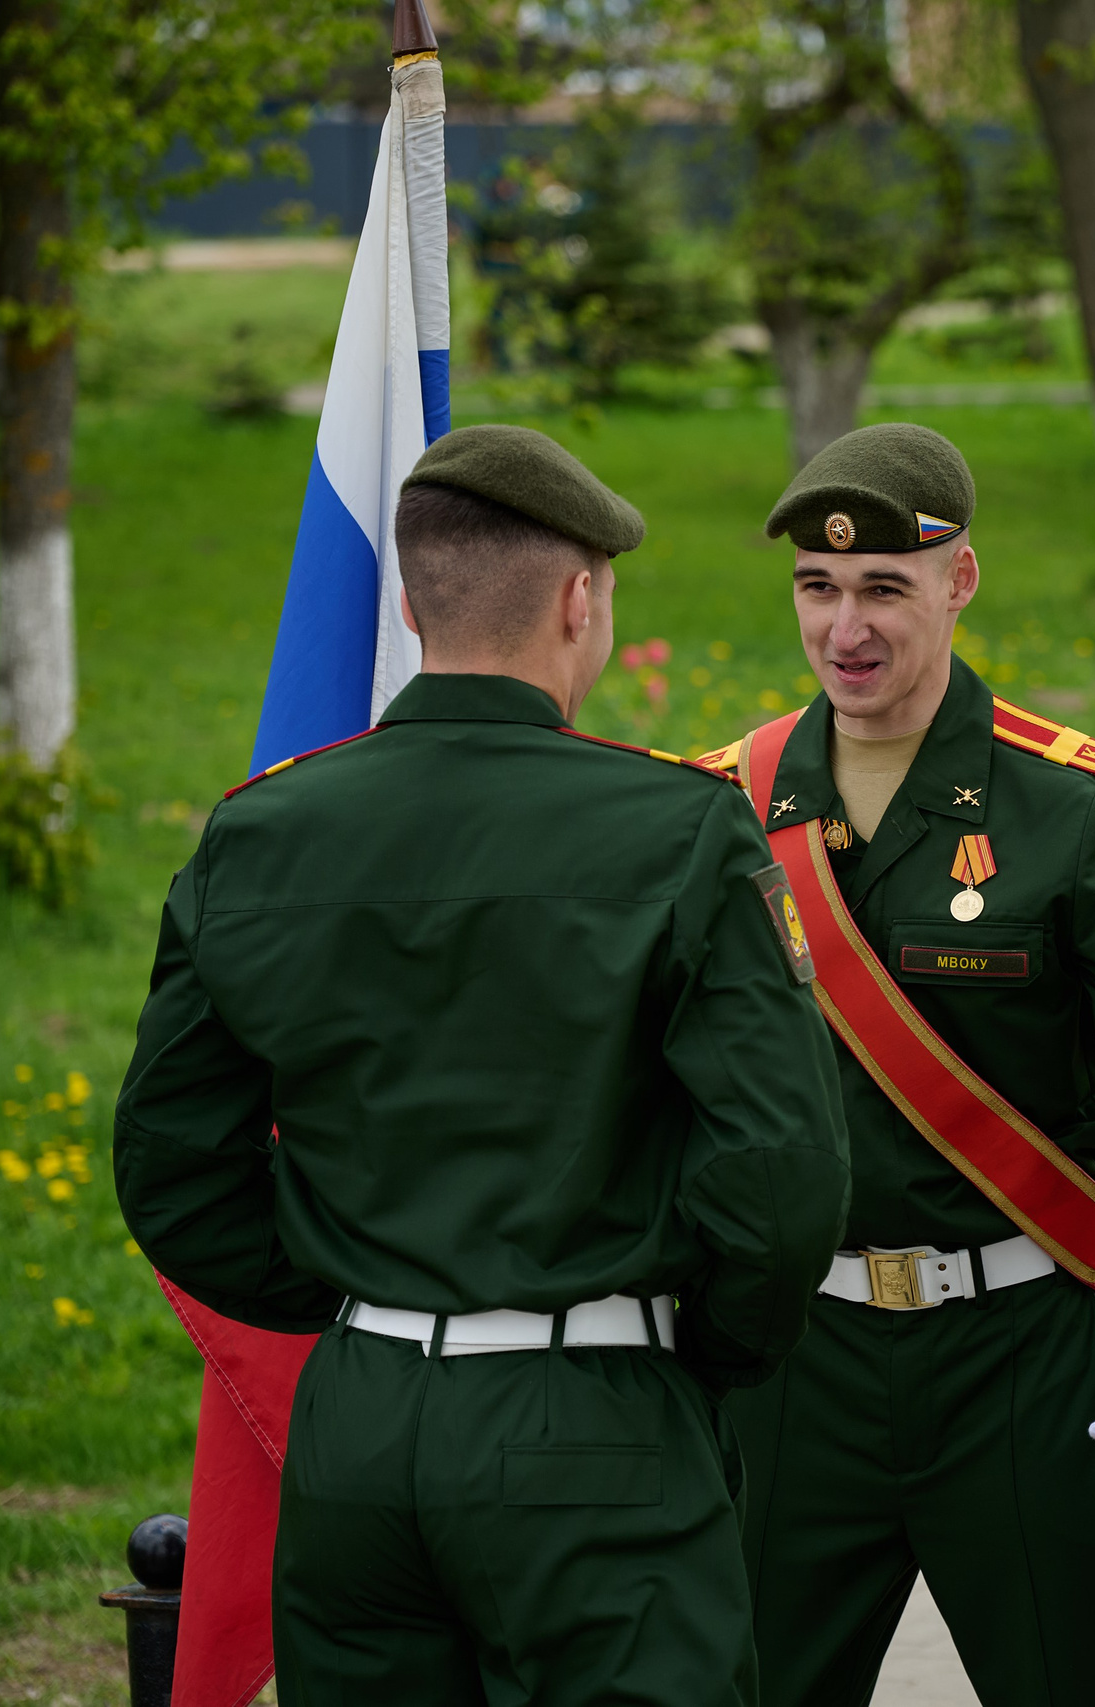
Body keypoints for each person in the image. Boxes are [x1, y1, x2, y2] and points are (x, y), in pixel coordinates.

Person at [112, 424, 852, 1707]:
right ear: (580, 600)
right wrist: (702, 1348)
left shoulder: (260, 832)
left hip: (354, 1427)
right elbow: (782, 1173)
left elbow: (172, 1163)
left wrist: (352, 1294)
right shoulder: (675, 831)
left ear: (408, 601)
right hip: (597, 1416)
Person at [694, 422, 1095, 1707]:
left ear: (958, 582)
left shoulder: (1073, 803)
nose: (846, 628)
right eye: (817, 588)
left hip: (1020, 1361)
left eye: (883, 589)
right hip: (793, 1370)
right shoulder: (723, 805)